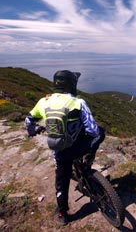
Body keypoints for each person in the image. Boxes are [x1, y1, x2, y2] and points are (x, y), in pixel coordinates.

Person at [25, 70, 105, 226]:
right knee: (101, 132)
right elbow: (93, 130)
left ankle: (62, 212)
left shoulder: (44, 102)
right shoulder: (78, 102)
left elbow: (29, 121)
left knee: (61, 182)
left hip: (60, 152)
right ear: (71, 84)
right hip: (79, 147)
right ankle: (87, 161)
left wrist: (32, 131)